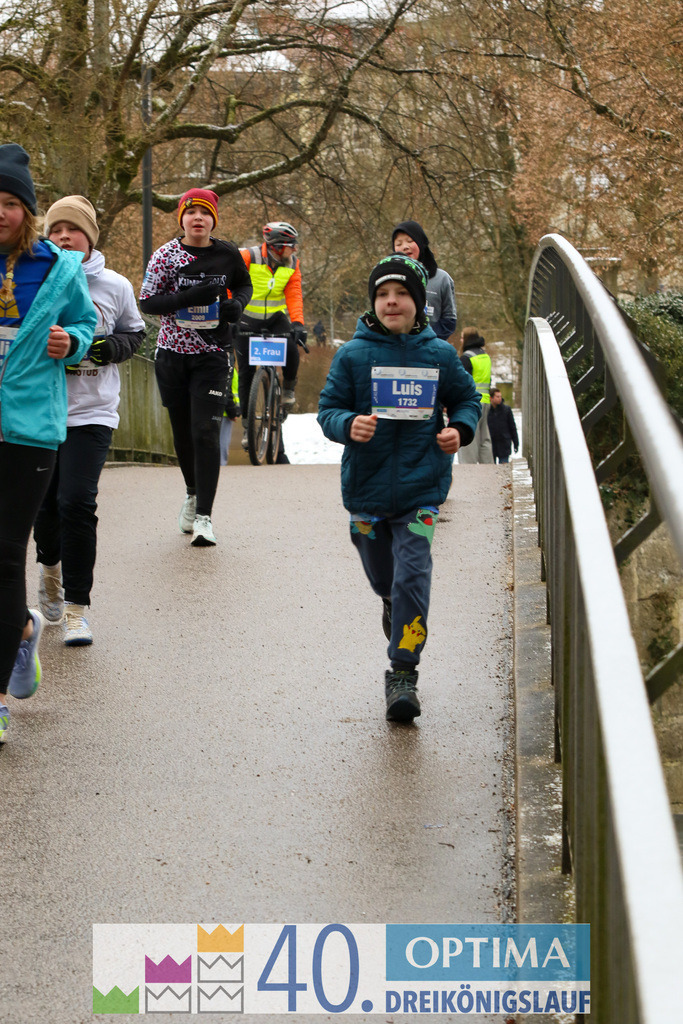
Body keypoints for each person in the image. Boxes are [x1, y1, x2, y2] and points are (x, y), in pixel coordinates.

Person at [317, 254, 480, 723]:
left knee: (412, 575)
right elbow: (329, 410)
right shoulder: (352, 355)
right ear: (373, 302)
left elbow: (467, 399)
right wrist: (348, 424)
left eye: (402, 293)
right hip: (366, 492)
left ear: (419, 302)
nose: (392, 302)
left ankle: (403, 673)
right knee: (383, 578)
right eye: (383, 294)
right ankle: (390, 600)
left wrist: (459, 430)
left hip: (421, 490)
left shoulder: (439, 355)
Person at [0, 144, 96, 743]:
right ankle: (21, 631)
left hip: (31, 427)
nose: (0, 212)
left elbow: (86, 322)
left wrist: (72, 342)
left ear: (27, 211)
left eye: (10, 202)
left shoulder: (58, 267)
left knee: (7, 554)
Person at [32, 196, 145, 645]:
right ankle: (50, 571)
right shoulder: (34, 279)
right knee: (45, 505)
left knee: (77, 501)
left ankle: (77, 608)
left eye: (73, 230)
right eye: (56, 230)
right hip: (41, 408)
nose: (64, 237)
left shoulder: (115, 285)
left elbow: (134, 333)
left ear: (90, 238)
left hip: (93, 411)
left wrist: (107, 348)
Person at [139, 188, 252, 546]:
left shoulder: (227, 253)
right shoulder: (165, 255)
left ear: (213, 220)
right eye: (191, 212)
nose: (198, 218)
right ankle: (191, 493)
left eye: (205, 213)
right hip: (172, 355)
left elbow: (244, 284)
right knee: (184, 433)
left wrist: (237, 306)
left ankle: (204, 517)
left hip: (213, 354)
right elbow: (147, 302)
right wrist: (189, 297)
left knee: (205, 431)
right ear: (182, 219)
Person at [235, 221, 305, 453]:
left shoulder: (292, 263)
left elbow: (294, 293)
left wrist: (298, 323)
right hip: (245, 318)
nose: (294, 249)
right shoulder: (248, 257)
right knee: (246, 373)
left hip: (275, 318)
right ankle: (248, 427)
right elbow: (230, 284)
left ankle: (288, 390)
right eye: (291, 245)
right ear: (276, 246)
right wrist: (230, 315)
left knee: (292, 348)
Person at [392, 220, 457, 340]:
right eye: (399, 243)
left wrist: (427, 338)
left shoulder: (441, 278)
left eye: (410, 241)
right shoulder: (388, 279)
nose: (405, 247)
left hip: (431, 347)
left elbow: (449, 320)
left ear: (421, 243)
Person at [458, 327, 493, 464]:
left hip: (471, 403)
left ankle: (469, 468)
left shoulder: (467, 358)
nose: (461, 340)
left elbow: (462, 383)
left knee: (469, 438)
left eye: (462, 337)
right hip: (485, 400)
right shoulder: (485, 356)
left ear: (467, 339)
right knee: (484, 437)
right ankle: (488, 466)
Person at [487, 387, 519, 464]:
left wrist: (516, 443)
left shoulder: (506, 410)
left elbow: (512, 427)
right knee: (491, 467)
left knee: (504, 466)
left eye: (500, 396)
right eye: (497, 397)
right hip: (491, 444)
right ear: (491, 398)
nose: (499, 398)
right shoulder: (487, 411)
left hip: (504, 444)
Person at [220, 356, 240, 466]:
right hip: (226, 412)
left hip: (222, 410)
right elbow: (227, 391)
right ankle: (221, 466)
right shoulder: (231, 370)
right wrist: (232, 411)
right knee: (222, 444)